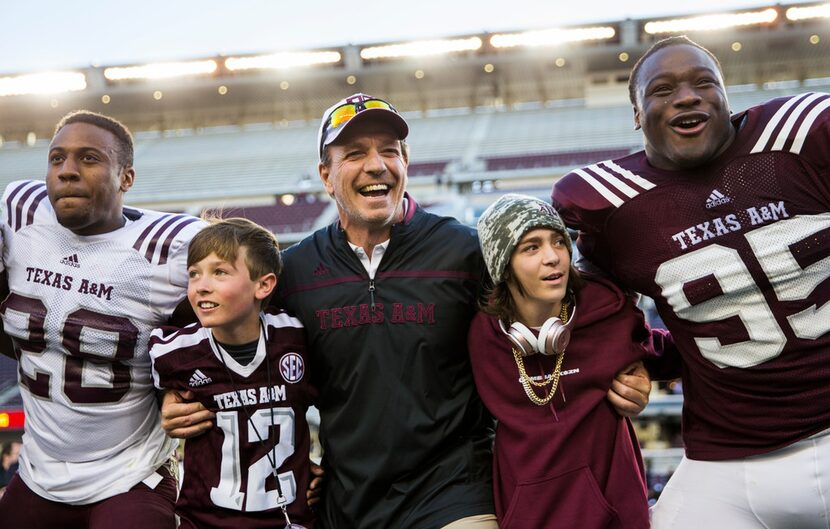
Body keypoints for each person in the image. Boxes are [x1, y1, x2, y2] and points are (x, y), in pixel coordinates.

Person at [163, 93, 652, 528]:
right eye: (354, 153)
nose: (376, 164)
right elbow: (205, 322)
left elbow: (564, 300)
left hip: (455, 487)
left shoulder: (464, 252)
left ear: (406, 163)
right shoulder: (294, 271)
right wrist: (176, 392)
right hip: (346, 498)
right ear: (326, 175)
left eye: (389, 151)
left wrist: (628, 365)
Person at [552, 35, 830, 529]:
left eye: (705, 83)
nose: (687, 97)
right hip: (730, 465)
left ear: (726, 95)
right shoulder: (609, 204)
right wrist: (633, 365)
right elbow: (605, 324)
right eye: (662, 90)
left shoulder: (804, 136)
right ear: (637, 114)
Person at [0, 110, 204, 528]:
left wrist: (179, 385)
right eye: (57, 159)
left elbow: (235, 336)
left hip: (130, 475)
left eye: (89, 159)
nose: (67, 172)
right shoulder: (19, 212)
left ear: (126, 178)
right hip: (39, 473)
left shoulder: (170, 249)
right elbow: (21, 333)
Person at [470, 194, 673, 529]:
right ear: (502, 266)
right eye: (531, 247)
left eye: (558, 242)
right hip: (529, 517)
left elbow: (670, 354)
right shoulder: (482, 337)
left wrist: (643, 374)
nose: (553, 258)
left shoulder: (605, 310)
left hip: (613, 514)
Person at [150, 218, 316, 529]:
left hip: (289, 519)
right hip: (204, 521)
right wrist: (164, 400)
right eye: (194, 274)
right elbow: (151, 395)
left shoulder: (298, 337)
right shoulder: (174, 351)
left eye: (220, 272)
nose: (201, 285)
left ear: (263, 285)